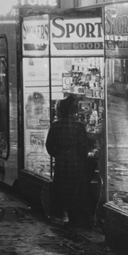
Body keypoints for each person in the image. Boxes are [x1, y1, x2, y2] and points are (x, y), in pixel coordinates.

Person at [45, 94, 89, 226]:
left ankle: (61, 213)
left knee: (61, 188)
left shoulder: (56, 125)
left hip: (61, 162)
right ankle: (73, 215)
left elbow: (49, 145)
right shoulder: (79, 126)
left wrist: (58, 155)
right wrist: (81, 157)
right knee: (75, 189)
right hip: (75, 163)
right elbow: (84, 147)